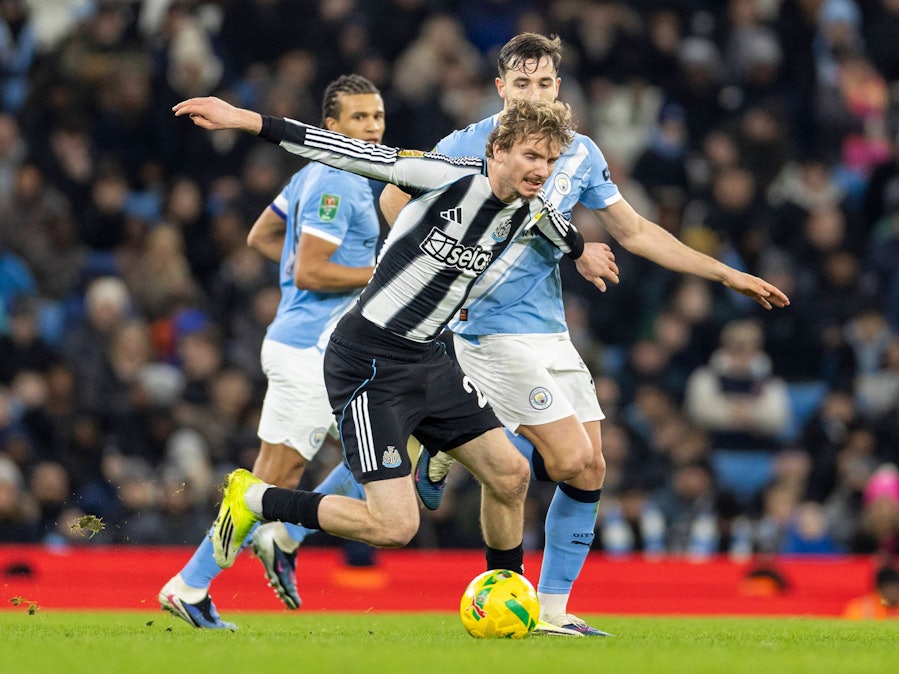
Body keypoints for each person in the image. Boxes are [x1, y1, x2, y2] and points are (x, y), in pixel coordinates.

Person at [379, 33, 791, 636]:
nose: (533, 93)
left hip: (550, 328)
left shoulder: (579, 151)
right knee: (566, 456)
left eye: (544, 83)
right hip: (487, 331)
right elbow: (394, 198)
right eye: (522, 84)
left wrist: (726, 273)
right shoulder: (466, 145)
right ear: (500, 88)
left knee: (592, 469)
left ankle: (551, 611)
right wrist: (442, 255)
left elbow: (635, 231)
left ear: (558, 87)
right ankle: (454, 440)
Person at [172, 93, 624, 615]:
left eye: (549, 160)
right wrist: (243, 119)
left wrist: (584, 252)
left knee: (510, 475)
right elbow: (335, 149)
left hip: (429, 361)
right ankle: (254, 500)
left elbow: (561, 231)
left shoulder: (532, 208)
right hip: (368, 362)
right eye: (530, 156)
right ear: (497, 150)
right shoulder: (443, 175)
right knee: (395, 527)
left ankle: (506, 601)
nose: (541, 170)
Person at [158, 74, 385, 629]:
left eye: (378, 117)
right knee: (269, 483)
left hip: (306, 344)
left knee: (384, 450)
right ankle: (193, 583)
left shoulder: (311, 174)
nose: (373, 129)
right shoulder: (341, 184)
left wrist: (297, 279)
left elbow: (262, 236)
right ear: (330, 127)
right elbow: (309, 267)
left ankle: (280, 538)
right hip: (310, 353)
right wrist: (376, 277)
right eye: (359, 119)